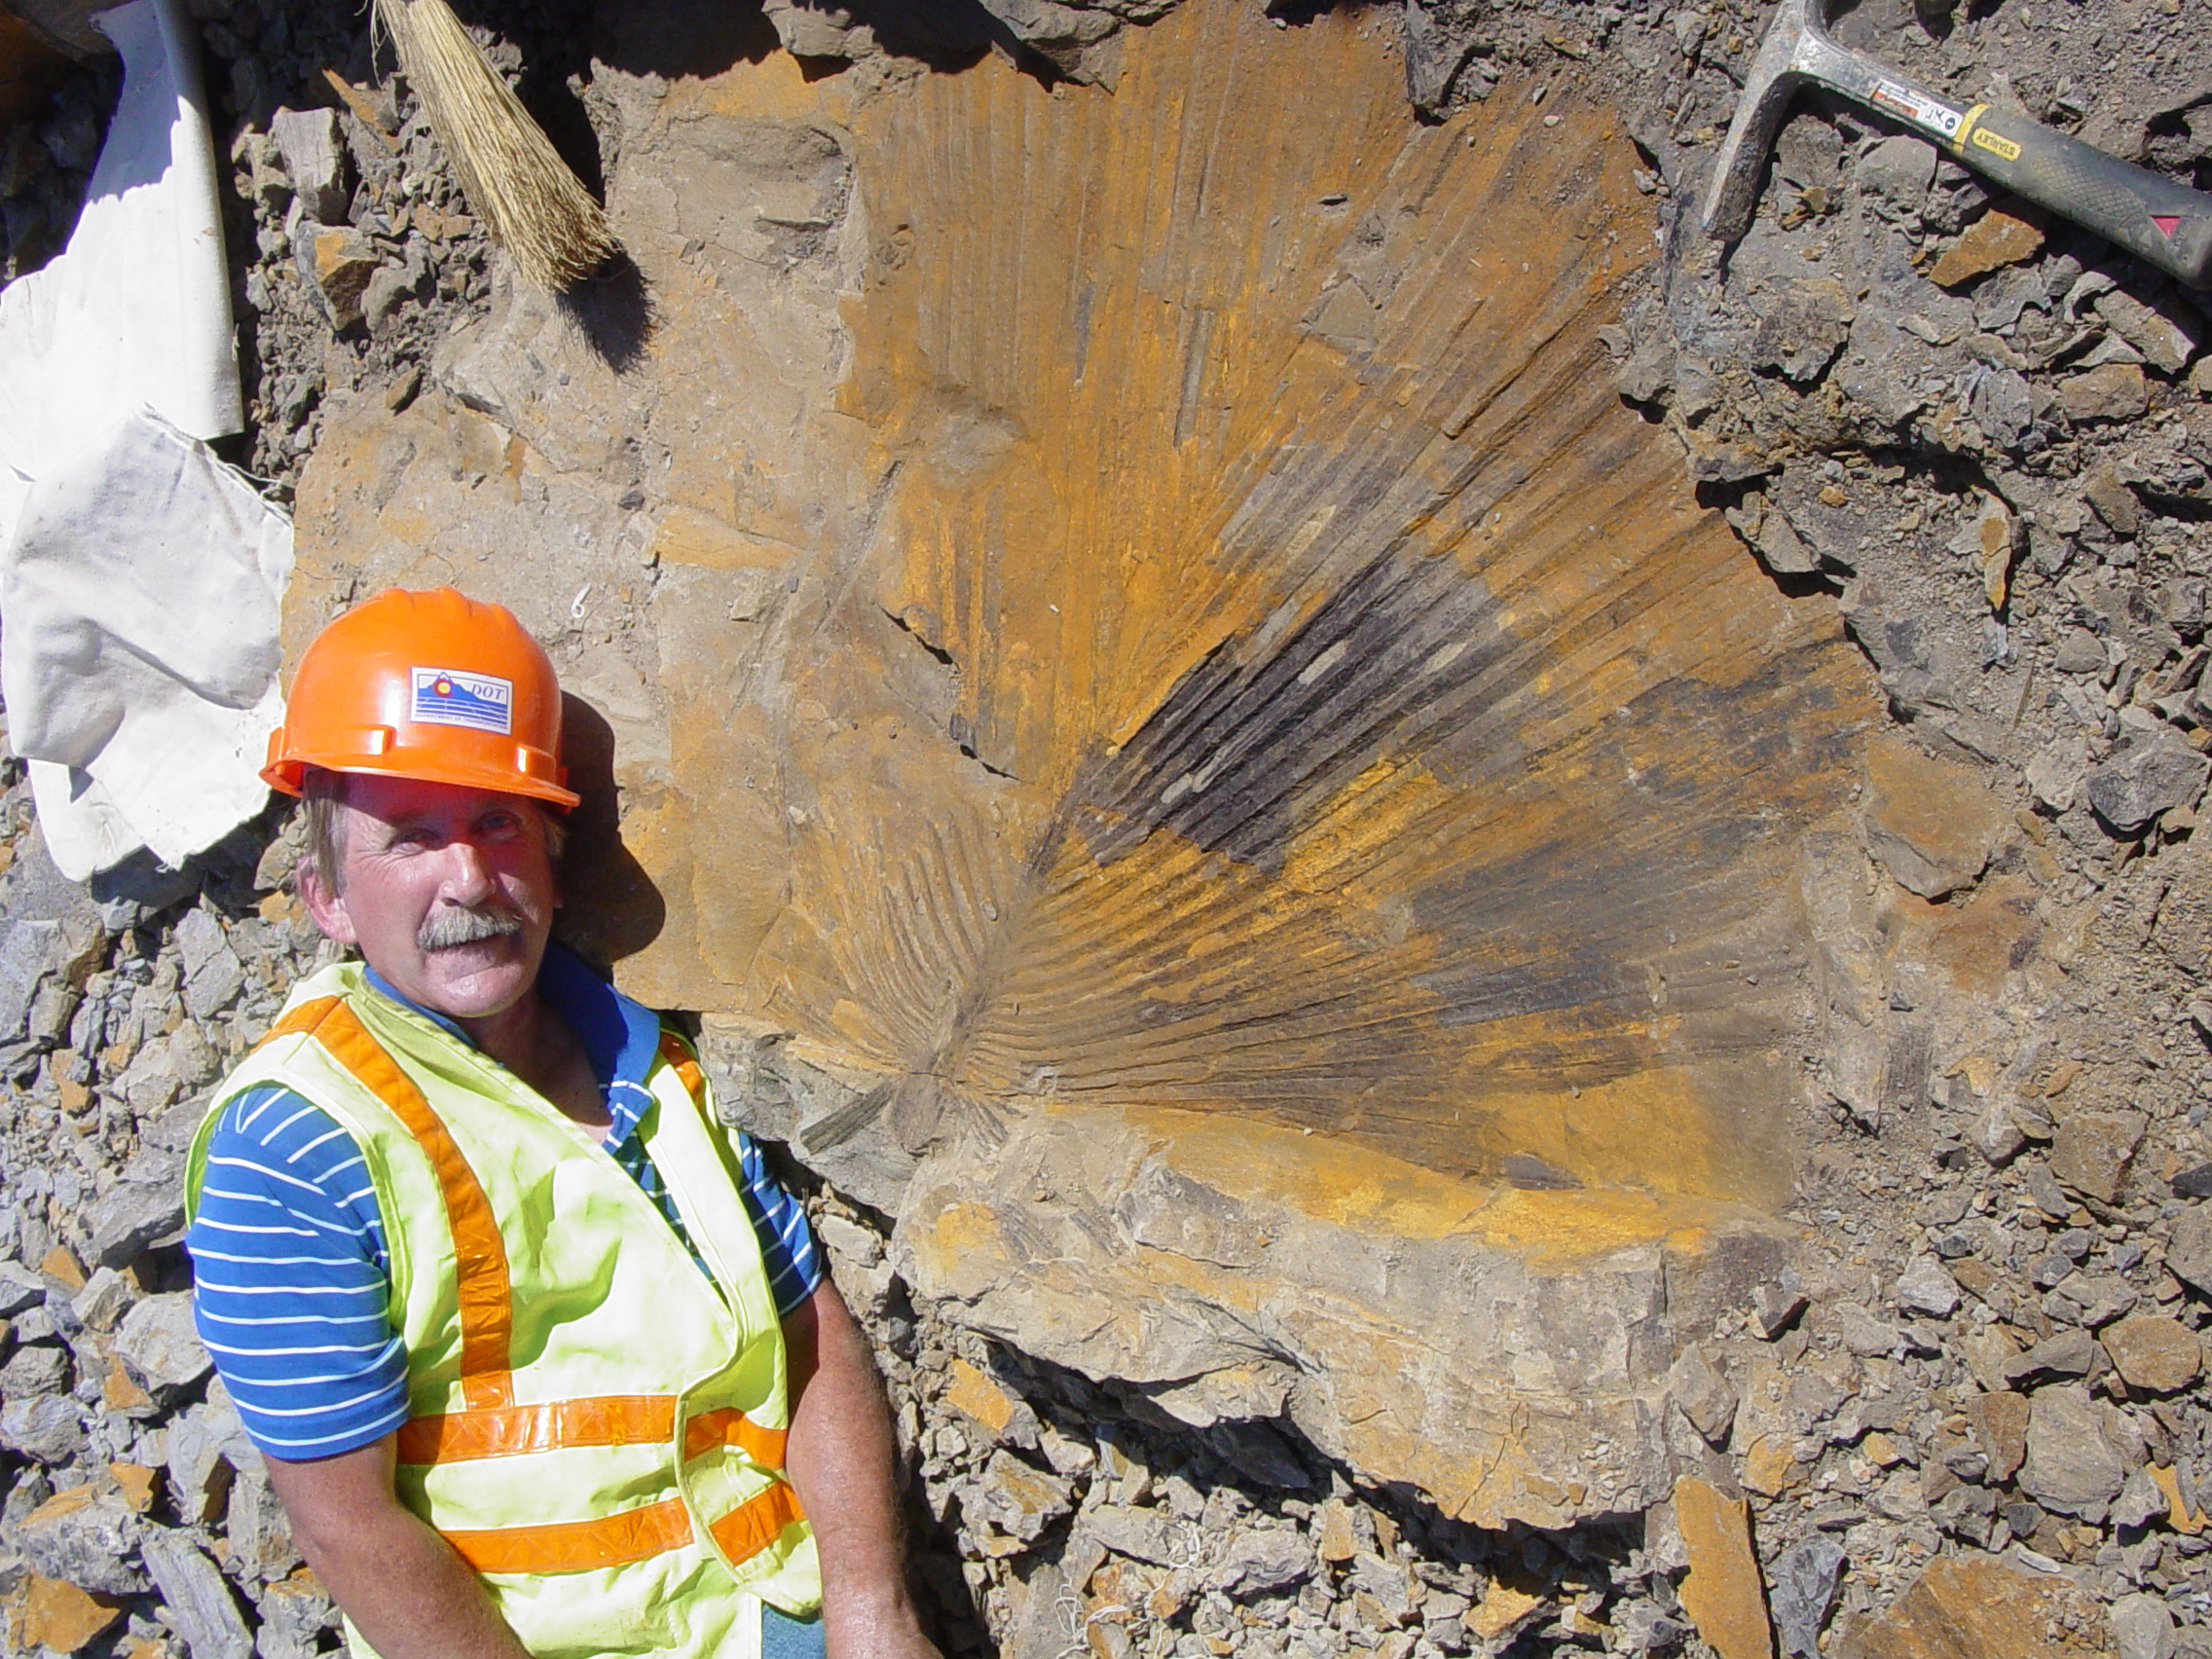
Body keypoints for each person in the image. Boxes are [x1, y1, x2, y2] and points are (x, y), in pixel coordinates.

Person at [183, 587, 940, 1659]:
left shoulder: (658, 1063)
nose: (469, 878)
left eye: (496, 822)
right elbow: (345, 1523)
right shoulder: (296, 1144)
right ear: (328, 900)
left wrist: (874, 1615)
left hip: (771, 1617)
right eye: (409, 838)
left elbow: (810, 1329)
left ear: (549, 850)